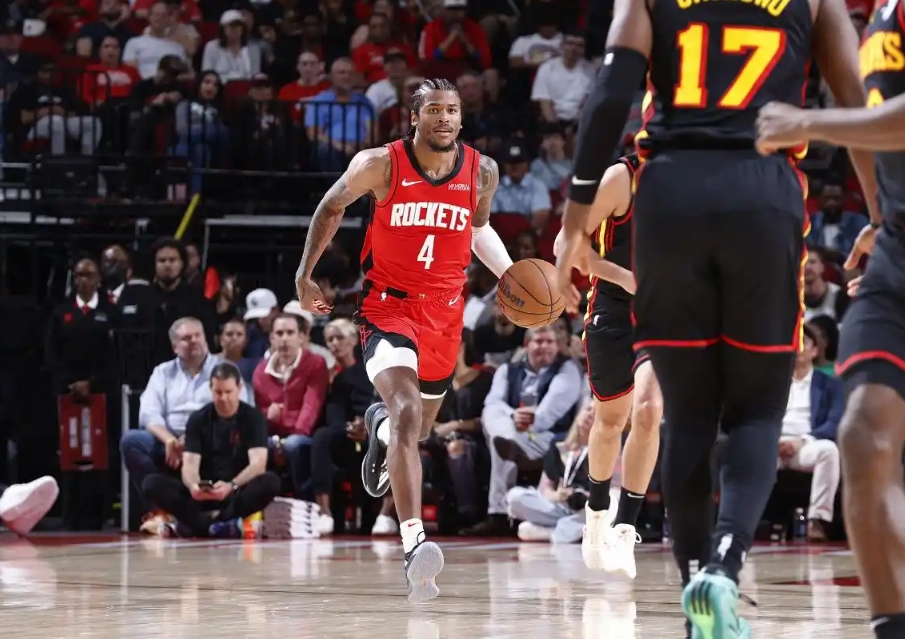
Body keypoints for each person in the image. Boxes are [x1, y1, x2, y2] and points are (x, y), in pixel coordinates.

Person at [554, 0, 878, 636]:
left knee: (687, 413)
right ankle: (723, 569)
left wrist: (571, 223)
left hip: (671, 194)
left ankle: (693, 585)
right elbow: (856, 99)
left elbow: (611, 90)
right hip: (762, 194)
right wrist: (884, 214)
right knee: (755, 412)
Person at [295, 78, 513, 602]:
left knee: (415, 429)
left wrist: (509, 276)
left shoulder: (481, 171)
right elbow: (330, 206)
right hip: (387, 306)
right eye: (433, 109)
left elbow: (476, 229)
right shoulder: (381, 164)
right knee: (408, 411)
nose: (444, 118)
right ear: (414, 117)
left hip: (445, 313)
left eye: (452, 110)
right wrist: (305, 274)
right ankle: (415, 545)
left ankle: (379, 428)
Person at [755, 1, 905, 635]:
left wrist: (808, 121)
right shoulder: (879, 16)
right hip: (897, 249)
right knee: (862, 434)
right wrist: (881, 215)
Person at [552, 153, 663, 580]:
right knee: (611, 420)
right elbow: (566, 246)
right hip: (614, 306)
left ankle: (625, 527)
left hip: (666, 312)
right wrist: (625, 277)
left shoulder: (699, 180)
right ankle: (597, 510)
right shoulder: (621, 177)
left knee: (649, 411)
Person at [142, 363, 281, 538]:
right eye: (218, 392)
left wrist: (231, 486)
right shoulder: (198, 419)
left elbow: (258, 464)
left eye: (228, 392)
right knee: (151, 484)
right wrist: (194, 486)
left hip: (235, 490)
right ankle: (209, 524)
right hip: (204, 492)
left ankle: (213, 523)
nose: (223, 398)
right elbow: (190, 464)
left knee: (270, 482)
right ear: (211, 390)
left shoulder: (253, 418)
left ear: (239, 388)